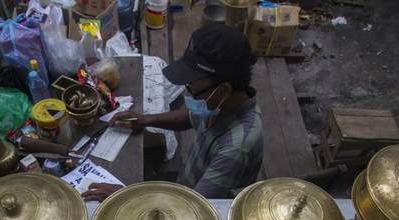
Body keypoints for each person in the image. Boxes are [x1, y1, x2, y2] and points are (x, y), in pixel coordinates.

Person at [82, 23, 263, 202]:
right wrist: (144, 120)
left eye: (192, 89)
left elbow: (191, 207)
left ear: (223, 90)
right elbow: (188, 116)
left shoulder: (236, 148)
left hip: (202, 209)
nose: (188, 95)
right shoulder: (218, 102)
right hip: (188, 184)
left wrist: (125, 195)